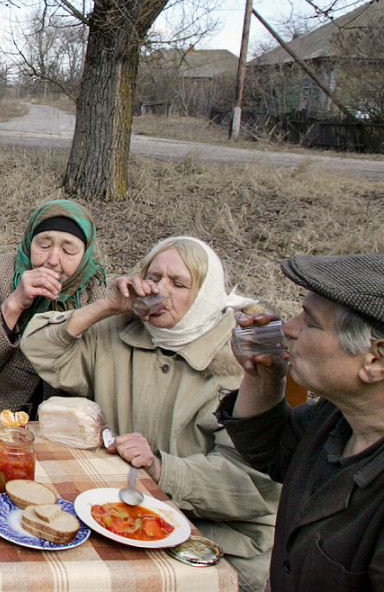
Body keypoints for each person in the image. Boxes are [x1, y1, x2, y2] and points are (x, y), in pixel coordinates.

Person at [21, 236, 280, 591]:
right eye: (154, 277)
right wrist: (106, 306)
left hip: (217, 535)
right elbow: (36, 347)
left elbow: (252, 484)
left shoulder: (239, 360)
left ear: (205, 296)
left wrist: (161, 468)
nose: (160, 290)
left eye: (179, 284)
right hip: (123, 512)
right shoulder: (119, 329)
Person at [218, 254, 384, 591]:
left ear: (375, 360)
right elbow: (270, 451)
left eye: (310, 322)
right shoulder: (336, 416)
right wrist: (264, 376)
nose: (288, 328)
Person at [0, 199, 106, 422]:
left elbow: (98, 376)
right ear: (28, 242)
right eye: (44, 246)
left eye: (68, 250)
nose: (53, 260)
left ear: (85, 254)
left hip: (67, 423)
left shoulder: (93, 288)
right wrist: (14, 303)